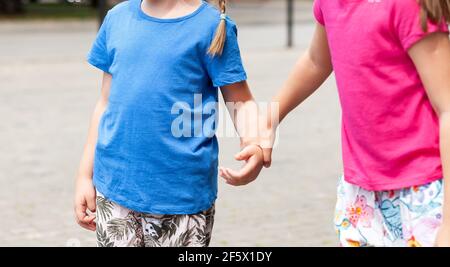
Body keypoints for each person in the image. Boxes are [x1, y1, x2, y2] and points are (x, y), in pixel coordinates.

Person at [257, 0, 450, 247]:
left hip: (424, 191)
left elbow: (447, 108)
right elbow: (316, 60)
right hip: (360, 192)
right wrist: (270, 118)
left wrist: (448, 225)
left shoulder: (406, 4)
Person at [74, 0, 263, 247]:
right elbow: (104, 104)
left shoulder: (212, 26)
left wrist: (256, 143)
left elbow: (243, 101)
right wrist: (84, 176)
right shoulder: (117, 18)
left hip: (182, 198)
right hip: (114, 191)